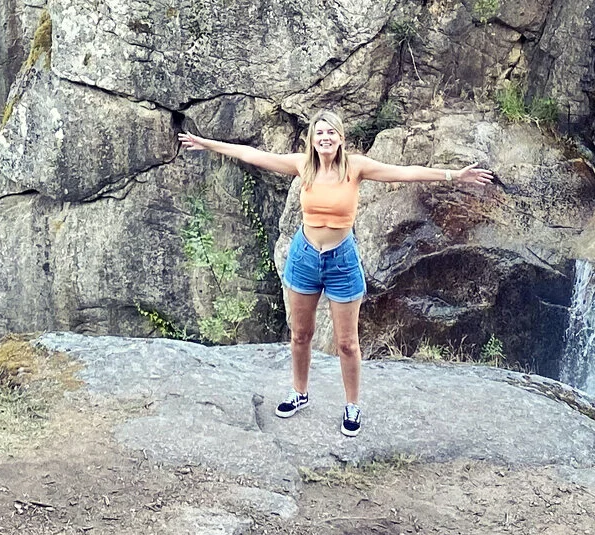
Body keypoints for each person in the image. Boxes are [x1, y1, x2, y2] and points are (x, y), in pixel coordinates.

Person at [178, 110, 497, 437]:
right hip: (304, 257)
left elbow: (403, 172)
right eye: (319, 133)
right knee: (300, 334)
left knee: (347, 343)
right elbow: (252, 154)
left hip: (342, 261)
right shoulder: (302, 166)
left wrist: (454, 176)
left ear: (340, 138)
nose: (325, 138)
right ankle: (299, 392)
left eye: (331, 132)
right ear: (312, 141)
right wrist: (206, 143)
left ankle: (352, 406)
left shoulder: (355, 167)